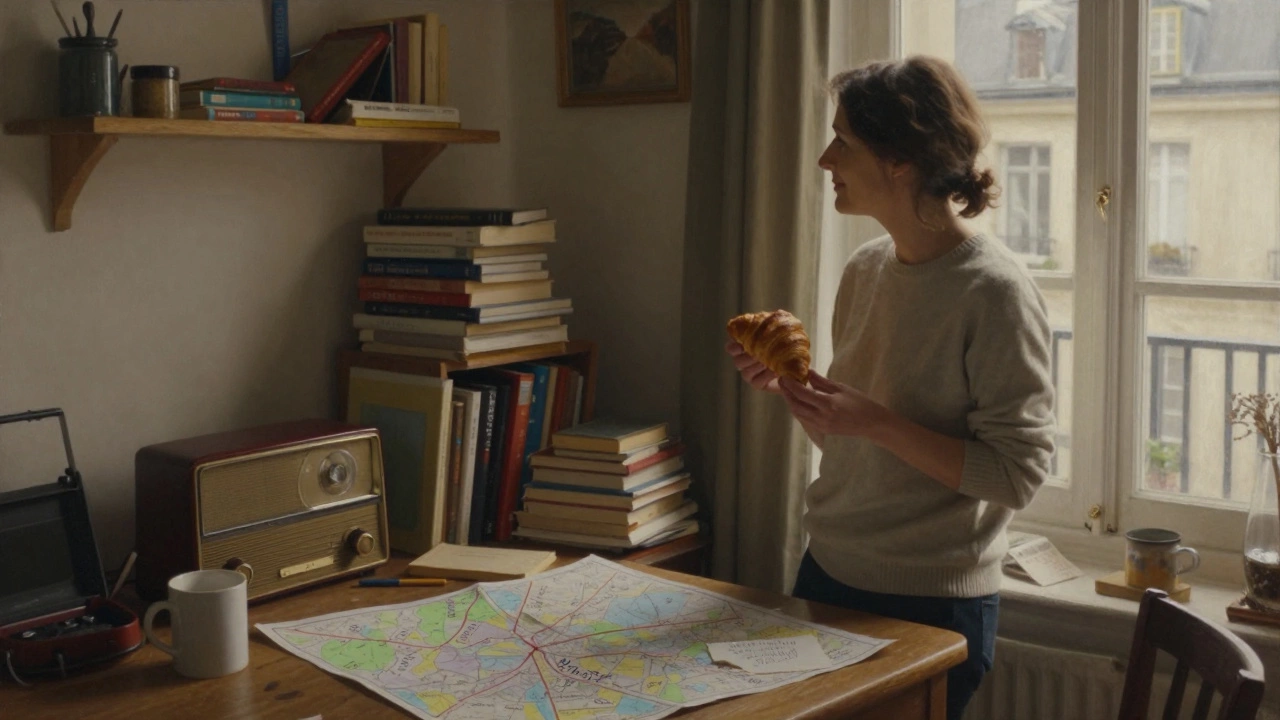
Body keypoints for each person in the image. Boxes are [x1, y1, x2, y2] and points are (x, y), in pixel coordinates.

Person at [726, 55, 1056, 720]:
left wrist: (875, 423)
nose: (825, 158)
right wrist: (799, 395)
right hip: (827, 573)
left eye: (843, 141)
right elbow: (852, 443)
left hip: (932, 603)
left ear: (901, 158)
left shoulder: (995, 292)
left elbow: (1017, 474)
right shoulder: (866, 267)